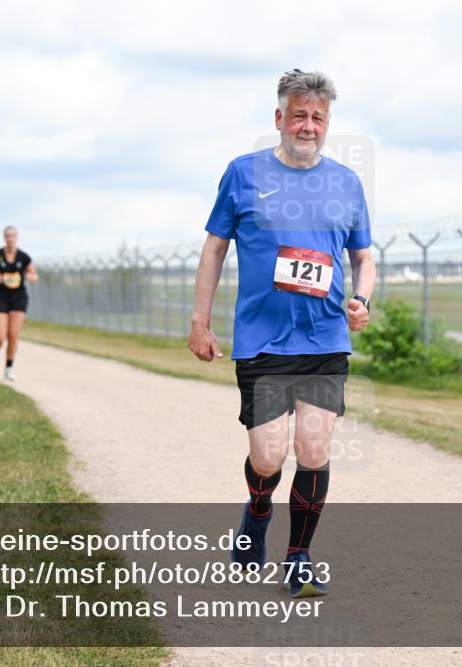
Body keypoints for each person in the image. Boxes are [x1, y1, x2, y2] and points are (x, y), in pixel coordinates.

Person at [189, 69, 375, 598]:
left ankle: (299, 557)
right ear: (279, 118)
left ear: (328, 123)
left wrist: (361, 299)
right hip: (263, 341)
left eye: (318, 117)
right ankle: (257, 510)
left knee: (313, 448)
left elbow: (363, 257)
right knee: (269, 456)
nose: (308, 126)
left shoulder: (347, 183)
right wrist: (200, 321)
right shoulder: (243, 173)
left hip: (325, 340)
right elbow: (214, 249)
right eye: (298, 115)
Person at [0, 226, 37, 381]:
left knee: (13, 335)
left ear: (16, 237)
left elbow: (34, 274)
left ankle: (9, 367)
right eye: (7, 236)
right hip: (0, 297)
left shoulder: (23, 257)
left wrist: (30, 277)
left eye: (13, 235)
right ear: (4, 237)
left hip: (18, 297)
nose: (10, 238)